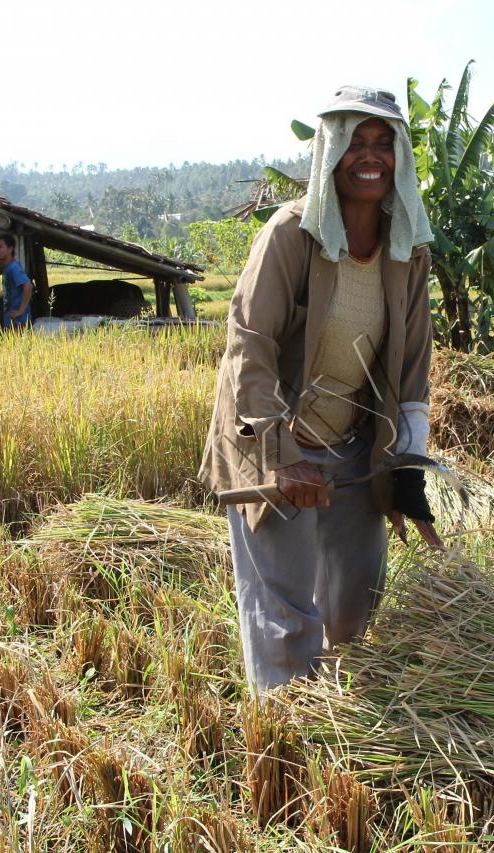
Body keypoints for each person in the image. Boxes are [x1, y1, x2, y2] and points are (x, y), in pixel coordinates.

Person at [199, 86, 442, 694]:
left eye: (383, 143)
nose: (371, 156)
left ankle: (343, 729)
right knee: (286, 623)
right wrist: (281, 458)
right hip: (276, 439)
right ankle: (287, 746)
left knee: (356, 607)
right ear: (330, 150)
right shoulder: (290, 235)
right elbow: (248, 344)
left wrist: (407, 471)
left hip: (354, 448)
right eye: (356, 141)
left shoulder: (406, 250)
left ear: (400, 156)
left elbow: (412, 364)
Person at [0, 234, 32, 328]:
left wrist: (21, 310)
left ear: (10, 249)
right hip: (12, 317)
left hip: (19, 319)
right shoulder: (7, 268)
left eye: (0, 246)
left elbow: (28, 285)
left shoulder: (13, 267)